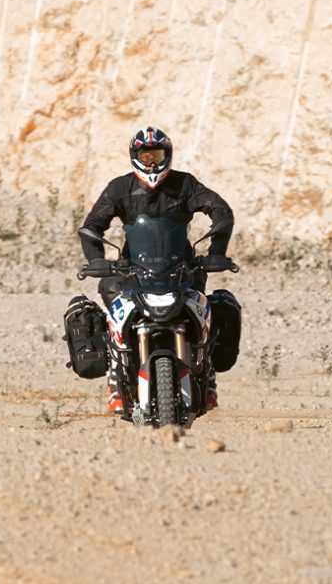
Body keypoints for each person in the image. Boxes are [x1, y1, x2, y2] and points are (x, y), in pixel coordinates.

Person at [67, 127, 236, 411]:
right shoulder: (120, 188)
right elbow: (92, 225)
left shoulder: (185, 184)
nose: (152, 163)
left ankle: (207, 375)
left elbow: (219, 209)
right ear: (135, 156)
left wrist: (216, 252)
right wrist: (97, 260)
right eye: (146, 156)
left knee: (205, 310)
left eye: (157, 155)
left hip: (181, 268)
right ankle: (115, 375)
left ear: (167, 155)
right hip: (133, 270)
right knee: (112, 307)